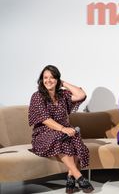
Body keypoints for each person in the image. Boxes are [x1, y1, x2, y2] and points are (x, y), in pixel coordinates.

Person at [28, 65, 94, 193]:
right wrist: (63, 129)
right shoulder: (37, 96)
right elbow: (45, 119)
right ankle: (78, 177)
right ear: (41, 80)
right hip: (44, 134)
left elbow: (81, 95)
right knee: (63, 136)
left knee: (74, 138)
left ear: (57, 80)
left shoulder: (62, 94)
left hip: (64, 131)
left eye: (52, 78)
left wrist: (63, 83)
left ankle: (70, 178)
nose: (48, 80)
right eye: (45, 77)